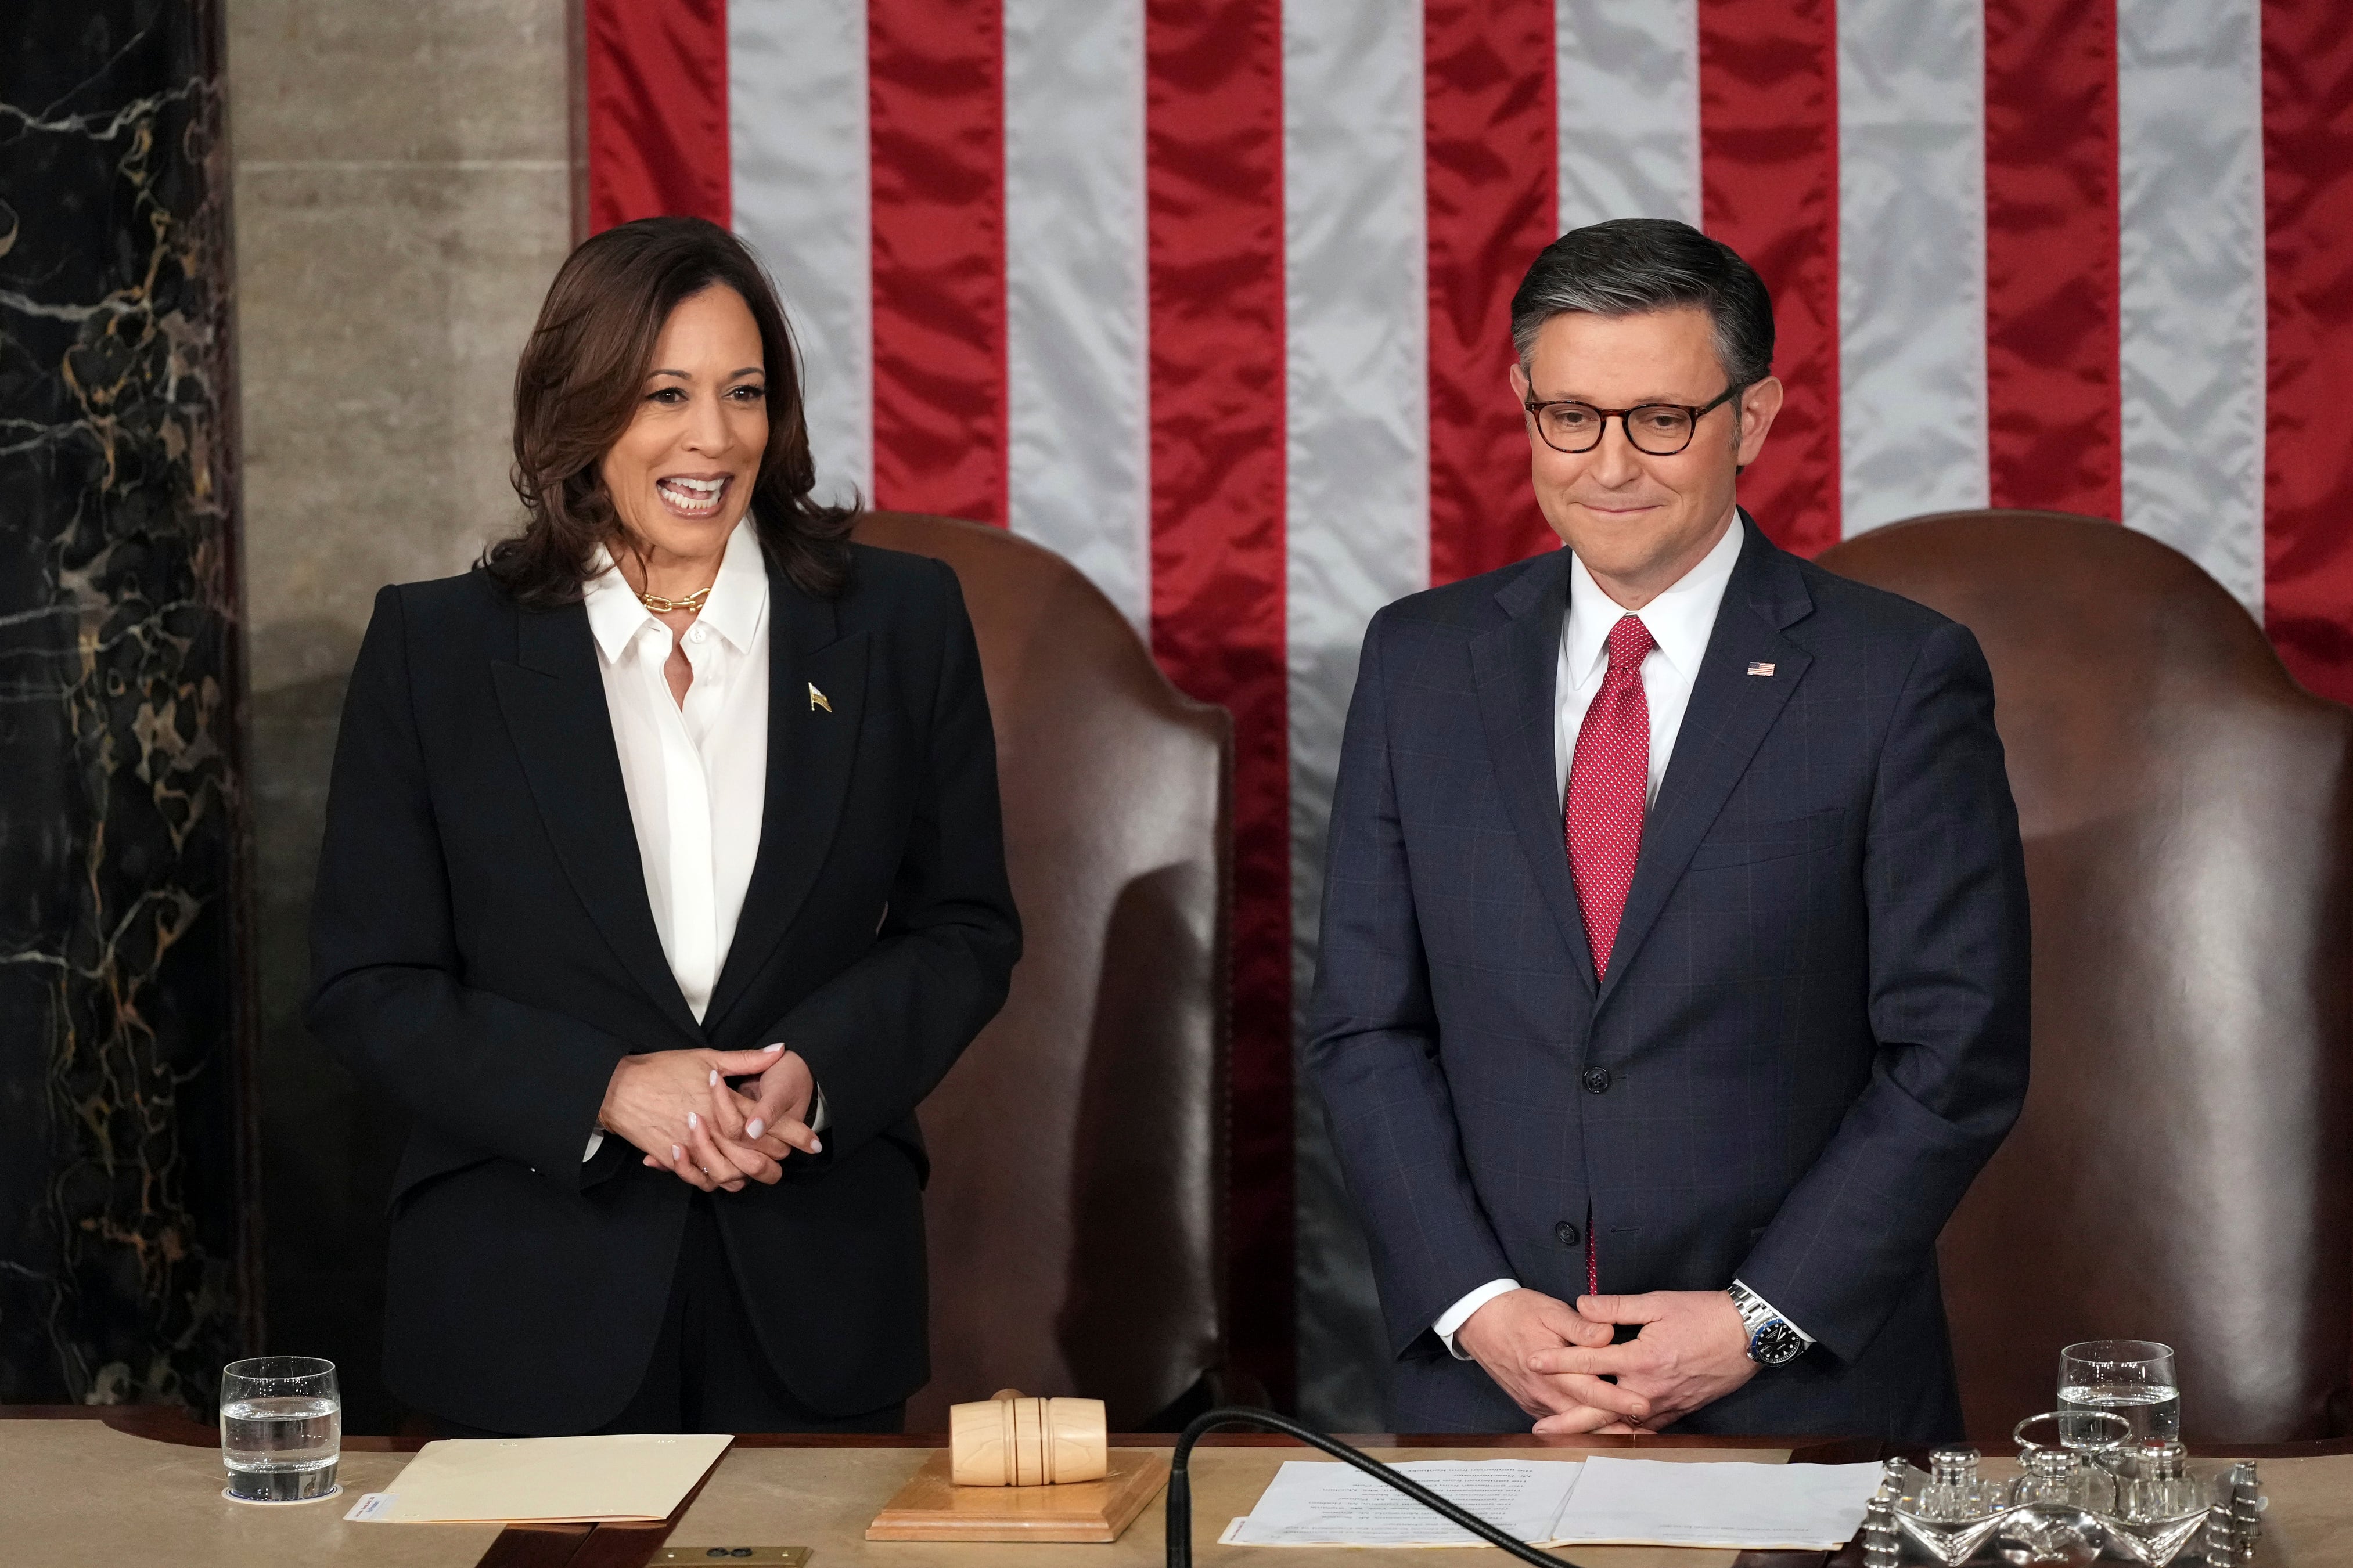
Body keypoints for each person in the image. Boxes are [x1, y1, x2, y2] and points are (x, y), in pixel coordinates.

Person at [1306, 218, 2029, 1441]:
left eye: (1661, 417)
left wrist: (1754, 1321)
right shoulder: (1419, 660)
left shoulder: (1895, 674)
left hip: (1800, 1392)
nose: (1610, 463)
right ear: (1525, 406)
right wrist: (1480, 1305)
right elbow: (1367, 1026)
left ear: (1749, 419)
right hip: (1492, 1391)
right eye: (1571, 415)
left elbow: (1954, 1052)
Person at [308, 216, 1020, 1436]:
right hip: (521, 1296)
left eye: (744, 393)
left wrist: (815, 1074)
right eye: (664, 394)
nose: (713, 437)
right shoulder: (437, 650)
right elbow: (369, 983)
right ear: (578, 409)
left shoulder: (902, 624)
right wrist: (606, 1089)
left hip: (812, 1288)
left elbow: (965, 928)